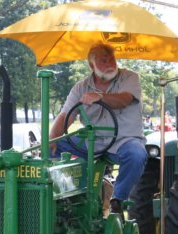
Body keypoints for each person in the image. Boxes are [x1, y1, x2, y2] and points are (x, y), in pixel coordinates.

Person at [50, 43, 147, 215]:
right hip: (91, 141)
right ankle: (65, 197)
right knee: (55, 147)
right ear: (91, 65)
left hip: (123, 141)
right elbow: (65, 116)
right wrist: (50, 142)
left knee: (137, 154)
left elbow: (124, 99)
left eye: (112, 59)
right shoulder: (80, 87)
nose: (110, 64)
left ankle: (118, 199)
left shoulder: (129, 78)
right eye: (104, 61)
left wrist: (100, 97)